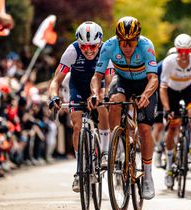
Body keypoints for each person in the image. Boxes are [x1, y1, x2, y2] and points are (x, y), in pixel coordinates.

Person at [91, 16, 158, 200]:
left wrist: (146, 95)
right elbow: (97, 76)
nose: (127, 46)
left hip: (144, 83)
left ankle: (147, 175)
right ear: (117, 40)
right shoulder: (109, 46)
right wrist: (96, 94)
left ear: (137, 39)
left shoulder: (146, 46)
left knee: (144, 129)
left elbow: (154, 78)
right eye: (123, 42)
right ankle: (118, 143)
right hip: (122, 81)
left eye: (131, 42)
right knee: (114, 101)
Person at [48, 21, 113, 193]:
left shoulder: (106, 50)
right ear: (79, 44)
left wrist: (102, 96)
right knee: (76, 124)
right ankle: (79, 170)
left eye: (93, 46)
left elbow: (109, 79)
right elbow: (56, 80)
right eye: (84, 47)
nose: (89, 50)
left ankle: (105, 152)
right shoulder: (72, 51)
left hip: (100, 84)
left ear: (99, 43)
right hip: (77, 85)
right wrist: (54, 96)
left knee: (101, 107)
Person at [160, 34, 191, 187]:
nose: (185, 54)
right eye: (181, 51)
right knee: (173, 127)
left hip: (187, 89)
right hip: (172, 91)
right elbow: (163, 88)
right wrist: (167, 109)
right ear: (177, 50)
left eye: (188, 51)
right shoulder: (169, 62)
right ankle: (168, 167)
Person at [153, 47, 177, 168]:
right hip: (159, 94)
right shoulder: (160, 66)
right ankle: (157, 149)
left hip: (171, 95)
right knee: (158, 125)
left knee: (174, 122)